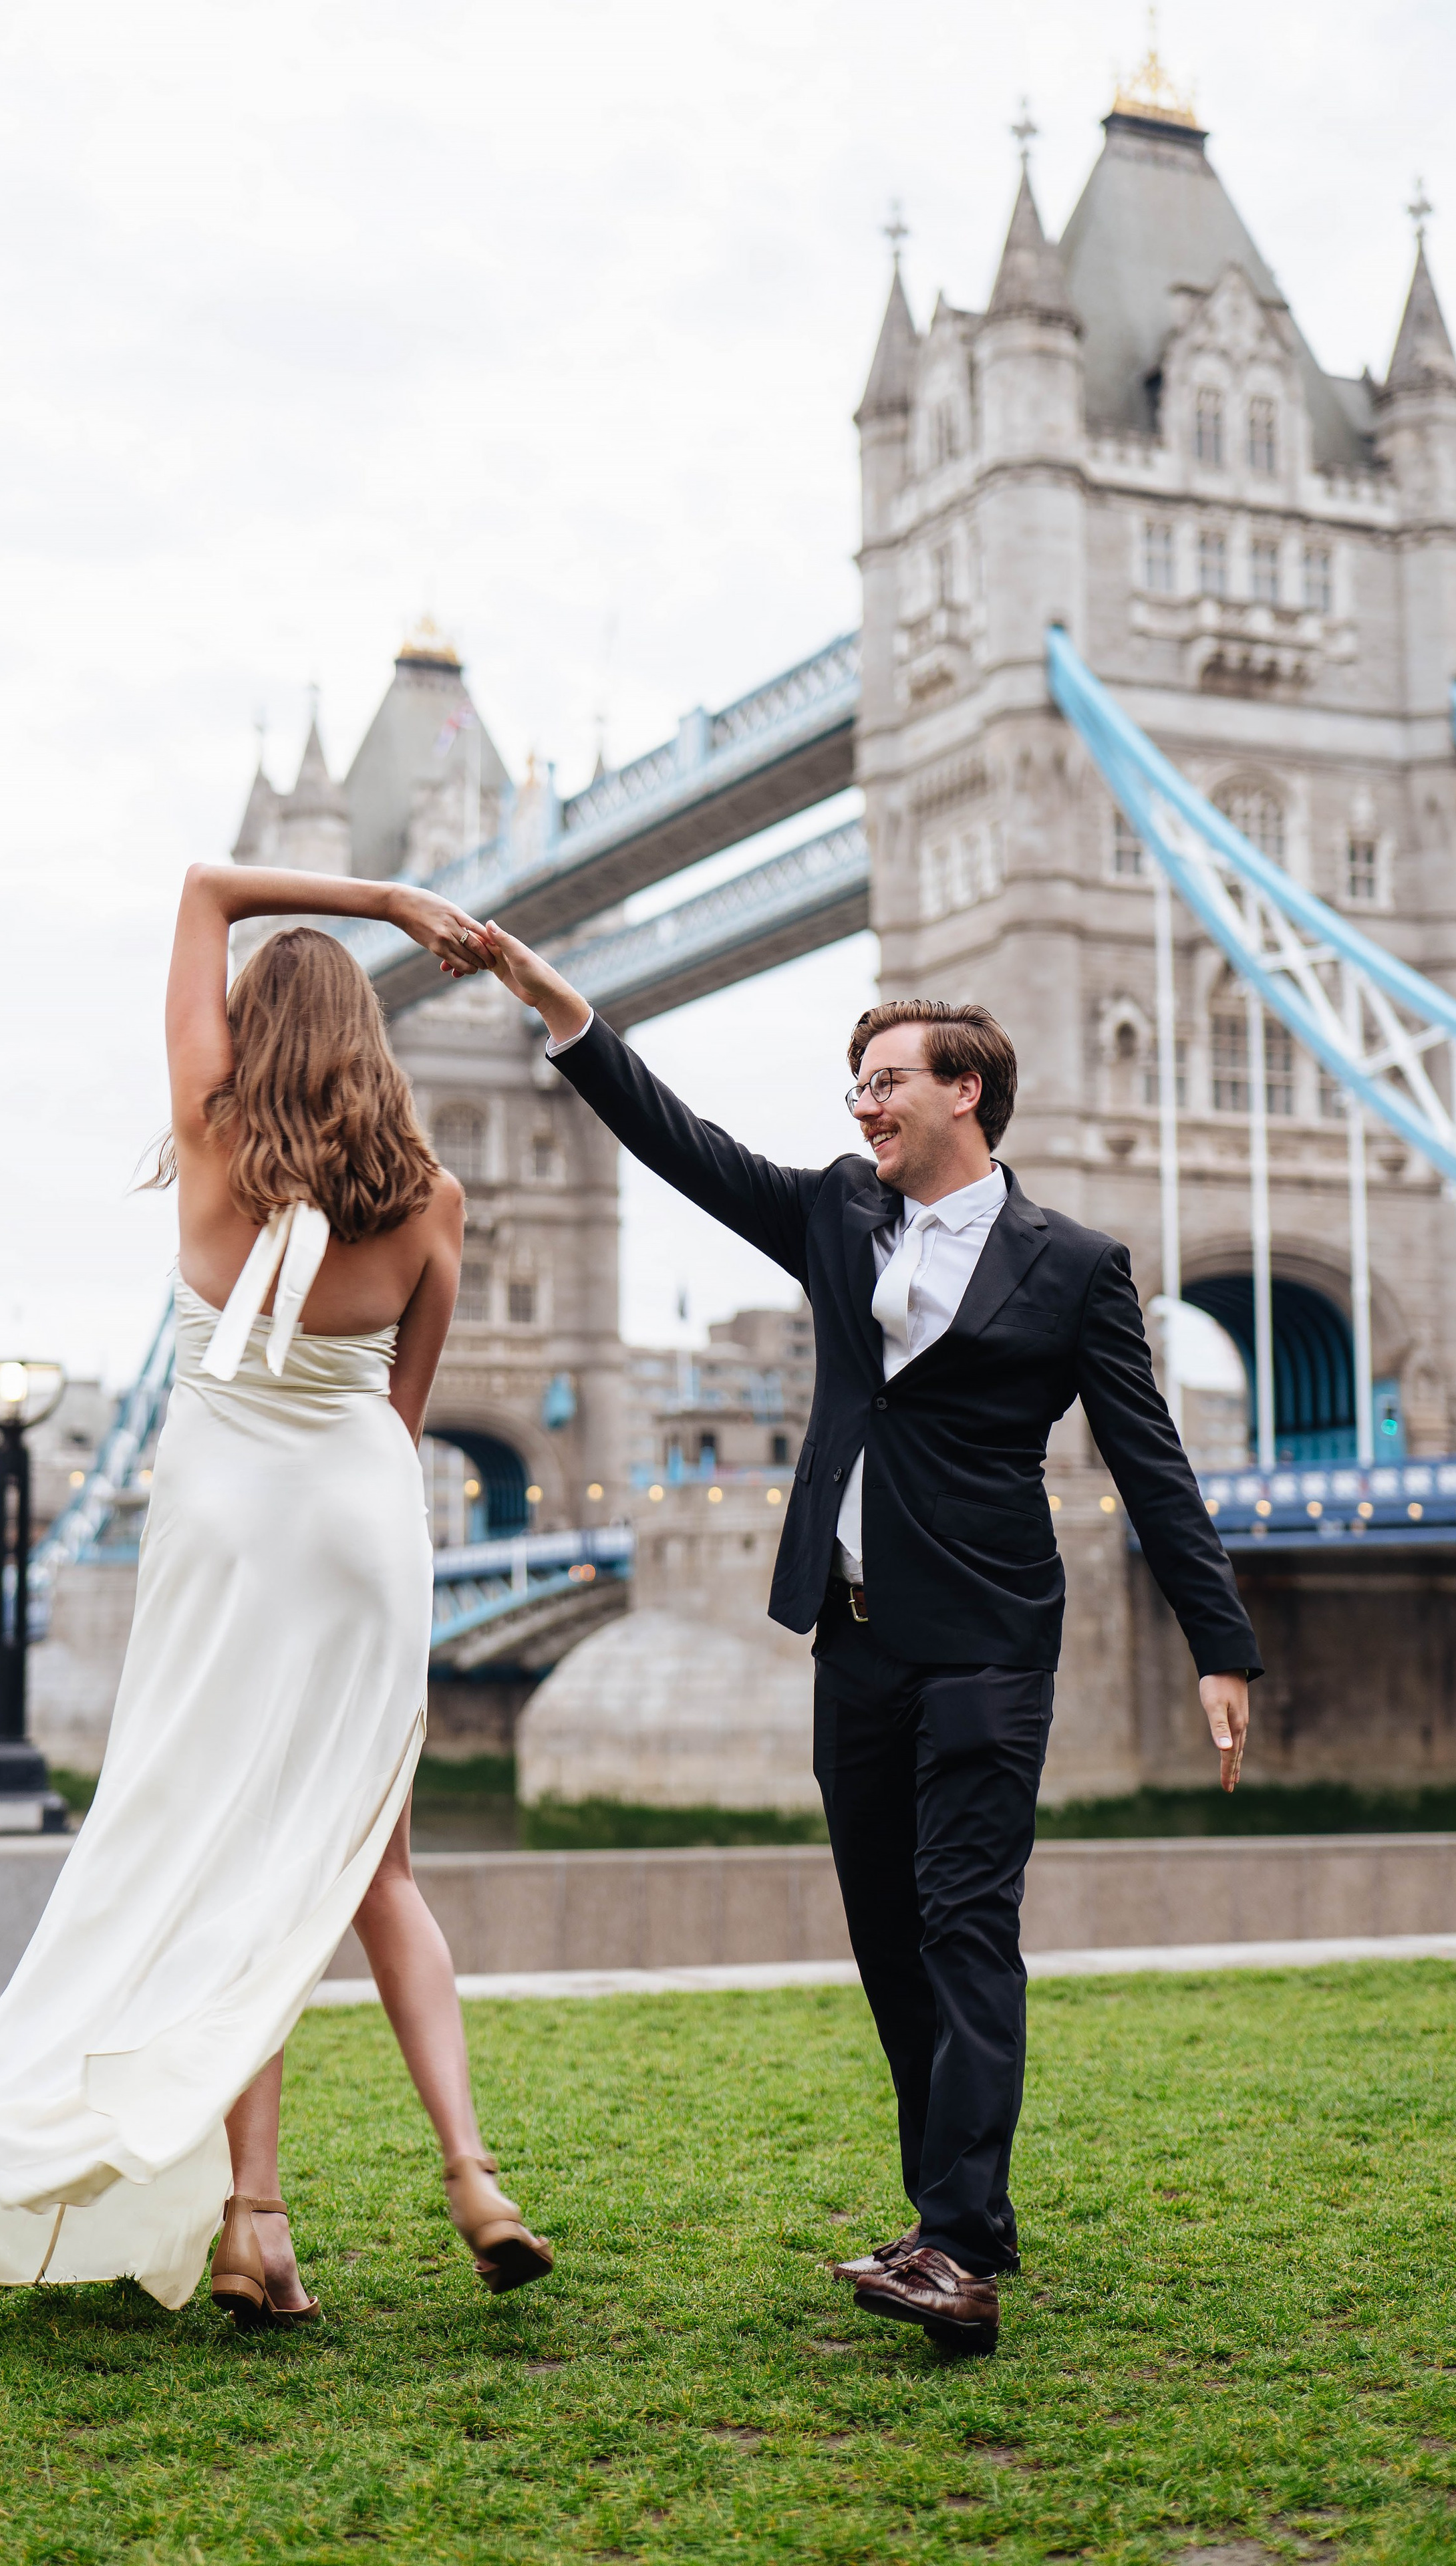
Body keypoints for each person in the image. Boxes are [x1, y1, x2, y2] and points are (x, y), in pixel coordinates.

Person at [476, 924, 1260, 2358]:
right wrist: (557, 1010)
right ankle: (954, 2215)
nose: (861, 1103)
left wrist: (1220, 1645)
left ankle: (954, 2256)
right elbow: (680, 1143)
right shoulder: (836, 1215)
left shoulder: (1074, 1265)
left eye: (886, 1078)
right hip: (850, 1643)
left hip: (987, 1640)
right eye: (852, 1083)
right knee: (890, 1946)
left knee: (965, 1928)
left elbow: (1149, 1461)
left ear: (965, 1095)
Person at [0, 867, 552, 2323]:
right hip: (364, 1523)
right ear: (370, 1040)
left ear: (251, 1034)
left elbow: (202, 887)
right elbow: (400, 1414)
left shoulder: (212, 1133)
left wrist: (381, 895)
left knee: (238, 1874)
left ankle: (259, 2219)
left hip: (225, 1527)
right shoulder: (434, 1198)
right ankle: (472, 2174)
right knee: (380, 1868)